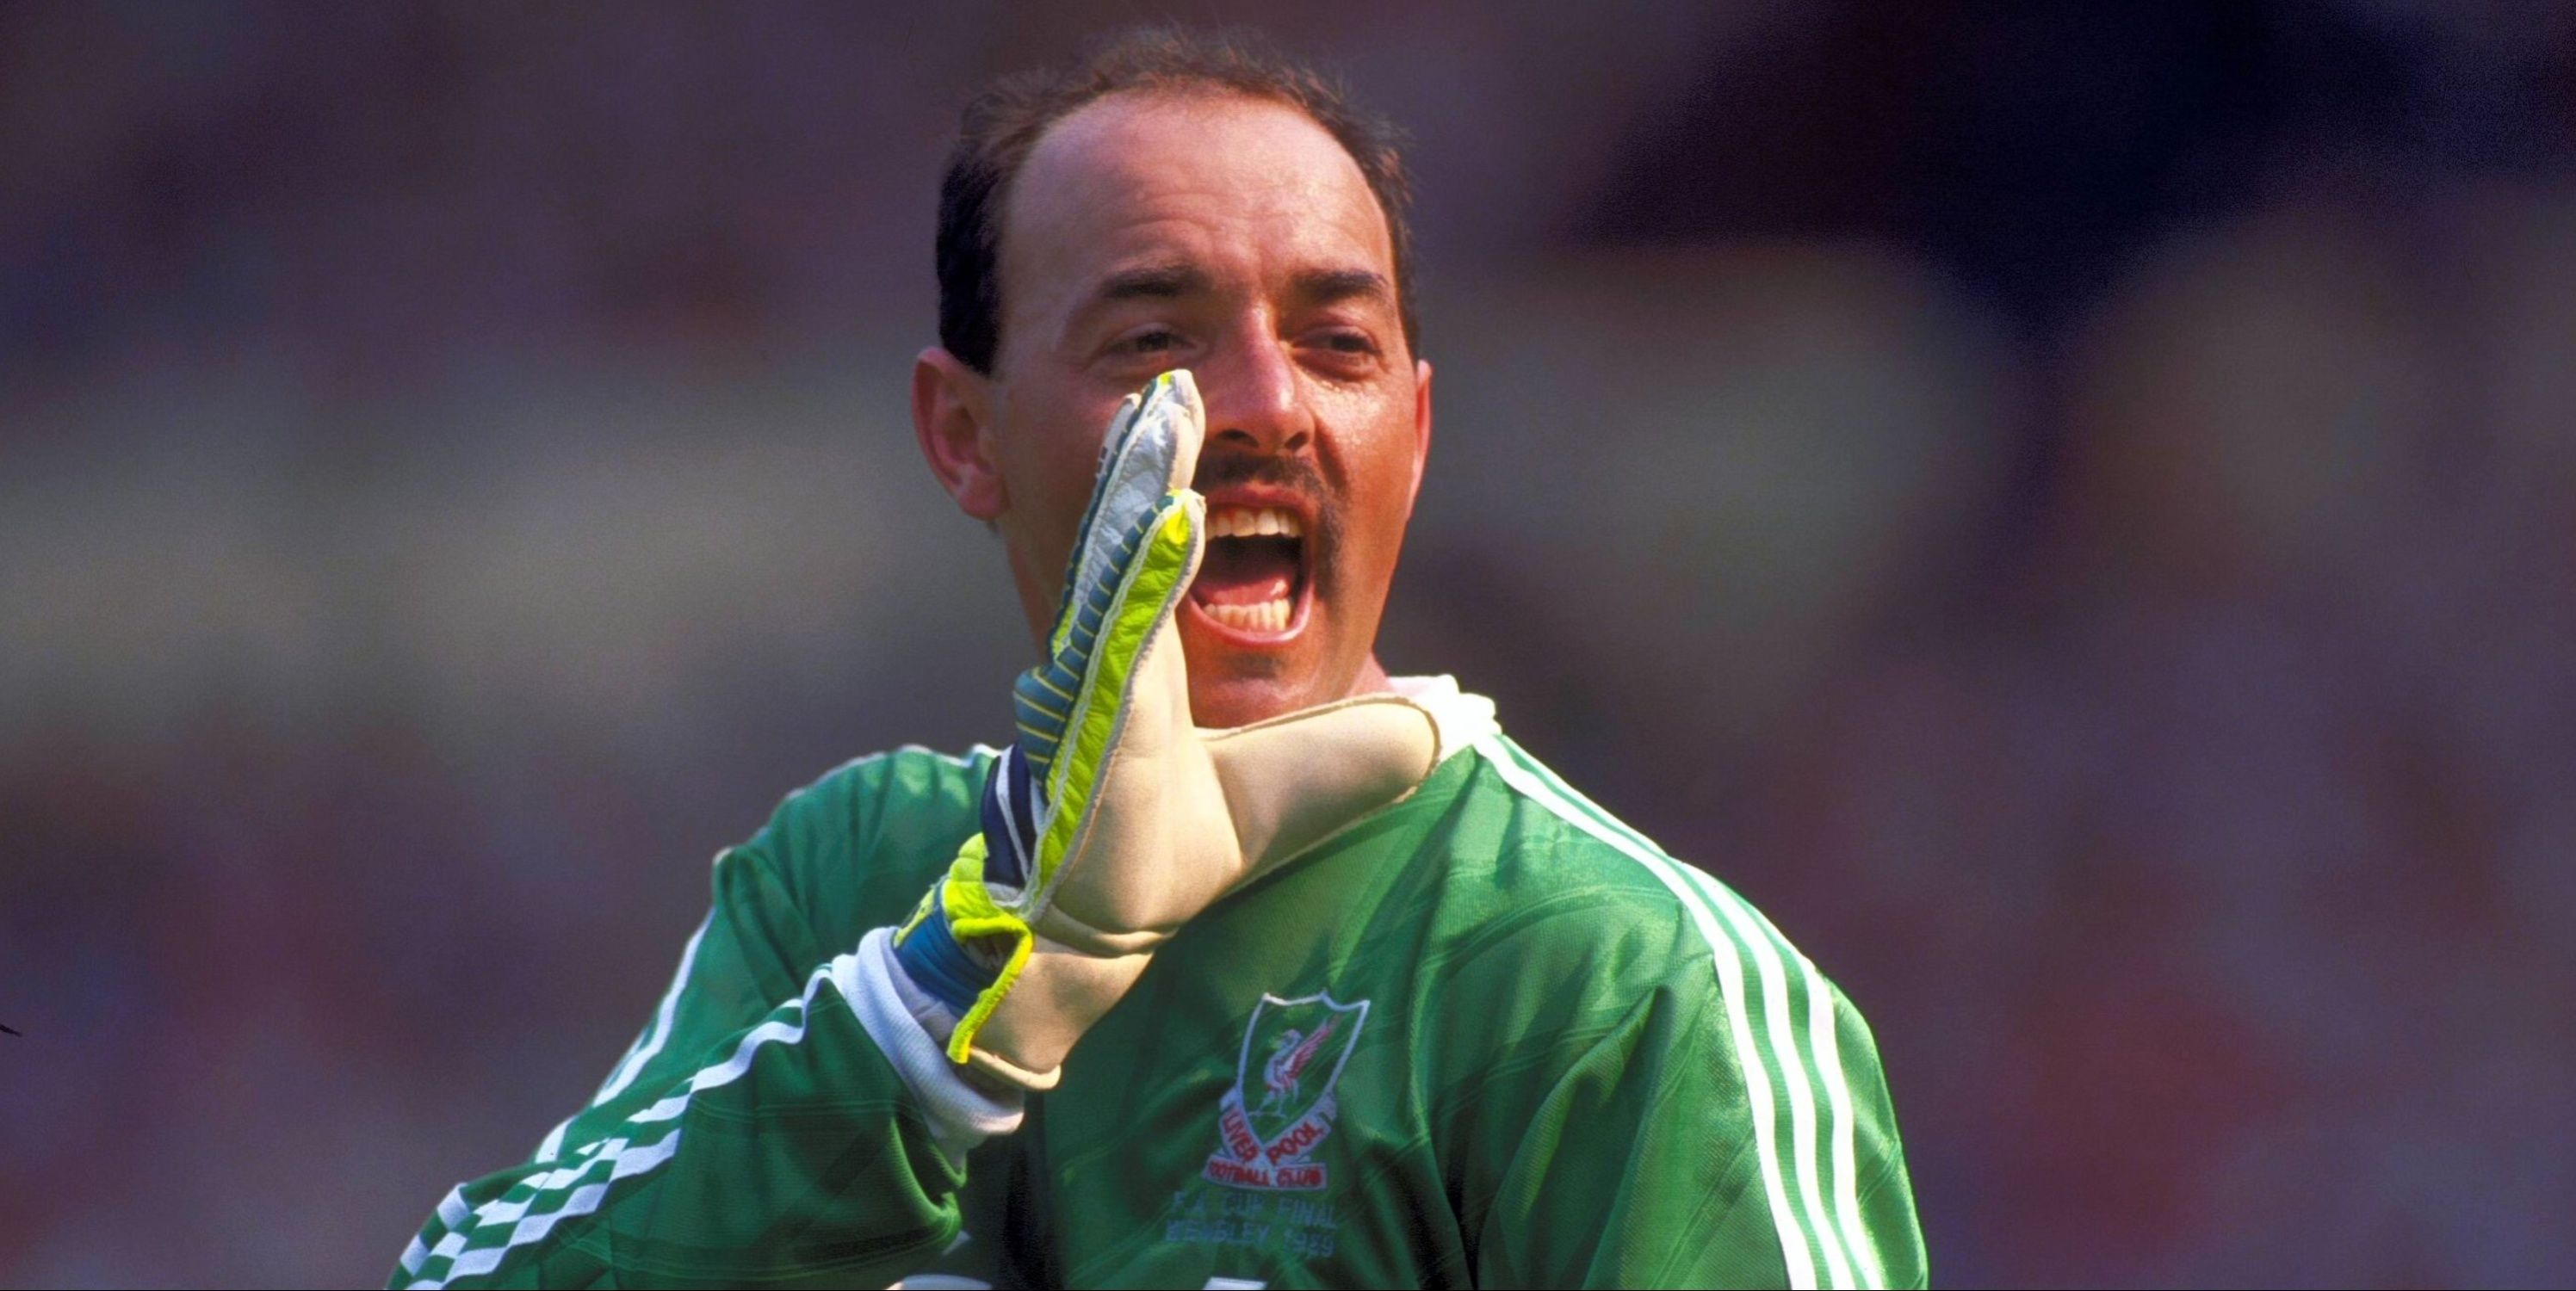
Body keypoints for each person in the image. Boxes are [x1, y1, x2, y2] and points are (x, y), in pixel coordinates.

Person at [391, 28, 1926, 1290]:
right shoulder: (853, 885)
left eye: (1340, 343)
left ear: (1417, 427)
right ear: (964, 434)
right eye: (1153, 338)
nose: (1261, 403)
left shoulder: (1615, 984)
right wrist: (955, 1011)